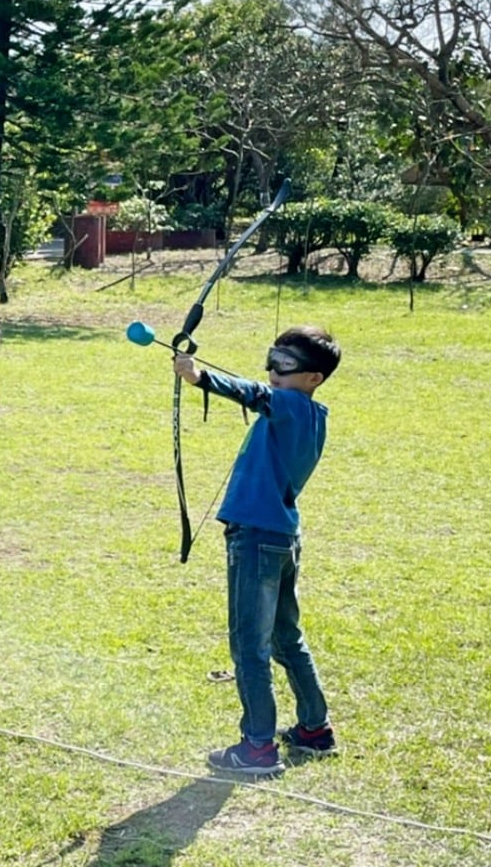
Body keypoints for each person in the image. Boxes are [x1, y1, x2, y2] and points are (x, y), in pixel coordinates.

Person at [173, 325, 342, 779]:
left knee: (250, 645)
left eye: (285, 365)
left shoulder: (289, 404)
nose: (273, 370)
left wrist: (199, 377)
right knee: (286, 636)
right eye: (271, 359)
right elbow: (262, 394)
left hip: (256, 538)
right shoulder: (311, 414)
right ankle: (313, 729)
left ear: (314, 378)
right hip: (281, 537)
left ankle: (259, 747)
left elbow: (251, 393)